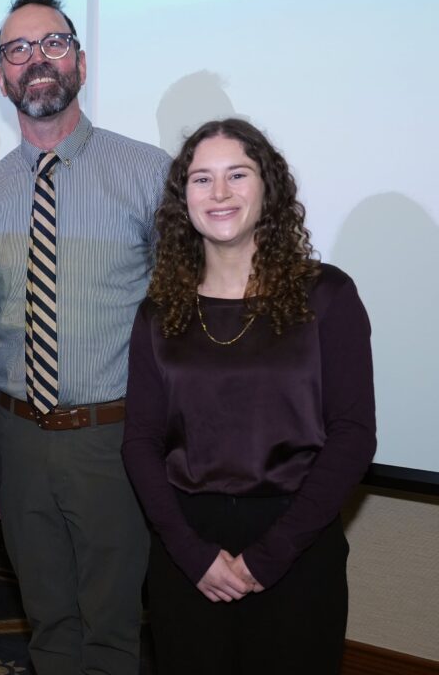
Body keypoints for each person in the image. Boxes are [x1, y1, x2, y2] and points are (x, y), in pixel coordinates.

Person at [0, 0, 169, 674]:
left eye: (52, 43)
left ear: (79, 60)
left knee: (112, 630)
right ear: (2, 77)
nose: (36, 60)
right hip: (17, 443)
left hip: (110, 439)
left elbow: (180, 321)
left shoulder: (147, 174)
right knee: (47, 625)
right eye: (18, 50)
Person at [121, 118, 376, 674]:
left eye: (237, 174)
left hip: (299, 547)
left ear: (268, 187)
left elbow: (353, 437)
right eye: (200, 179)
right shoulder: (158, 313)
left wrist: (271, 555)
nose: (219, 193)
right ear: (181, 198)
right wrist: (191, 554)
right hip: (186, 553)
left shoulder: (328, 296)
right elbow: (139, 442)